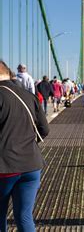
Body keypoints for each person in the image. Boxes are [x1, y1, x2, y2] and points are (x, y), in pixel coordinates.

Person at [0, 60, 49, 231]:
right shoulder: (29, 96)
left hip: (4, 169)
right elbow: (44, 129)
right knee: (25, 218)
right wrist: (25, 144)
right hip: (31, 166)